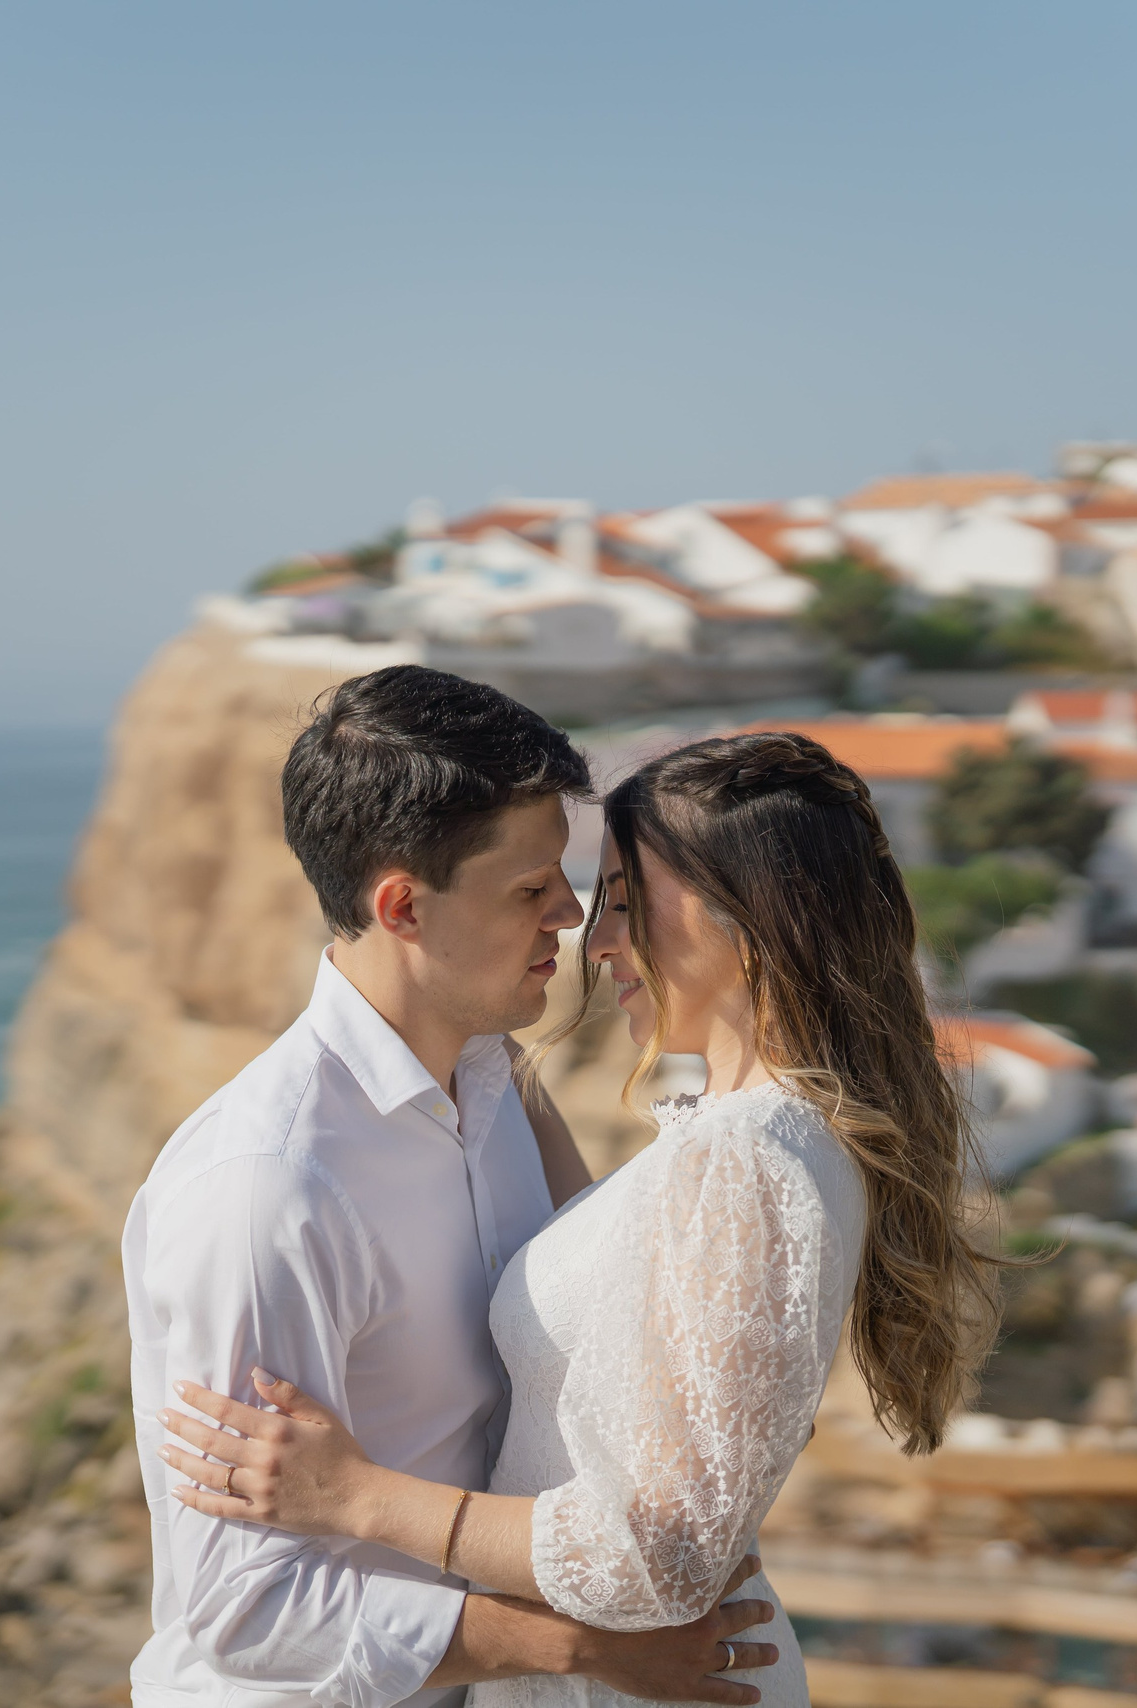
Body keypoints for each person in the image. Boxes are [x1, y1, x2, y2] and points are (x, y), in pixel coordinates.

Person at [155, 731, 1001, 1708]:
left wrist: (357, 1497)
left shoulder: (746, 1162)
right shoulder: (753, 1142)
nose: (594, 940)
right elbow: (594, 1285)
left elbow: (659, 1563)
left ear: (753, 918)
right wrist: (454, 1023)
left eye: (628, 904)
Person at [122, 667, 784, 1708]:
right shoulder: (267, 1190)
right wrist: (580, 1646)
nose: (569, 915)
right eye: (530, 889)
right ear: (402, 906)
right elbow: (245, 1607)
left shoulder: (498, 1084)